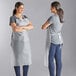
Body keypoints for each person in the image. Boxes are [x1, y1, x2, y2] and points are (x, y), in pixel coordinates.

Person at [9, 2, 34, 76]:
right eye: (21, 8)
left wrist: (22, 27)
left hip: (26, 41)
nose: (22, 9)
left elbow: (32, 26)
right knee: (17, 59)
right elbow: (15, 29)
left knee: (26, 59)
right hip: (17, 42)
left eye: (23, 8)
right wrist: (26, 27)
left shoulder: (25, 17)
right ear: (16, 8)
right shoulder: (12, 18)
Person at [41, 1, 64, 76]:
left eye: (51, 7)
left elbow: (43, 27)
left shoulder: (53, 17)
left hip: (53, 41)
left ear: (54, 8)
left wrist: (49, 26)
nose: (50, 8)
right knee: (58, 61)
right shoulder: (61, 16)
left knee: (50, 60)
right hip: (60, 41)